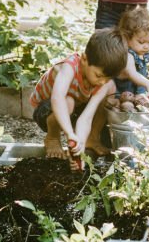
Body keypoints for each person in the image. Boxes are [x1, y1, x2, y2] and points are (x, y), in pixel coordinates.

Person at [29, 28, 127, 159]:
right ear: (84, 59)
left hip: (75, 109)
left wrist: (78, 144)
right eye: (99, 75)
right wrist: (69, 132)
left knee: (110, 88)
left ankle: (91, 138)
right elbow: (57, 99)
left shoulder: (102, 82)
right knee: (68, 101)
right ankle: (52, 137)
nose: (102, 81)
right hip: (46, 111)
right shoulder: (68, 68)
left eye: (107, 77)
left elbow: (86, 117)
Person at [114, 6, 149, 99]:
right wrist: (148, 84)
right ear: (127, 38)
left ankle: (143, 91)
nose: (146, 46)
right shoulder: (128, 55)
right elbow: (133, 74)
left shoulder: (140, 52)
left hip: (136, 92)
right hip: (123, 94)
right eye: (141, 42)